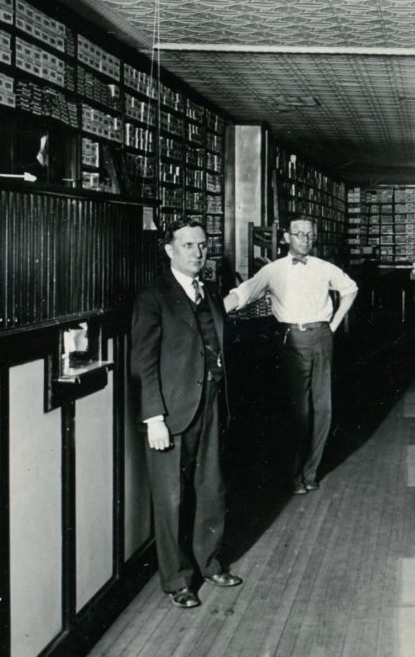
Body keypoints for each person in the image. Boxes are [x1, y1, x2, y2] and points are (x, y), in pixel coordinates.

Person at [130, 218, 242, 609]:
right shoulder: (153, 296)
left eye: (202, 245)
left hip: (211, 405)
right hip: (172, 413)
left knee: (212, 490)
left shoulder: (208, 292)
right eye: (188, 245)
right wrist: (153, 417)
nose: (197, 253)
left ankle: (210, 564)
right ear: (169, 250)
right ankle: (178, 580)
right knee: (171, 500)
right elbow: (142, 361)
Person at [224, 214, 358, 495]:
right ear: (286, 237)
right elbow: (244, 293)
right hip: (292, 339)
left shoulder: (324, 268)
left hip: (322, 336)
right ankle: (293, 474)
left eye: (310, 235)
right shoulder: (274, 270)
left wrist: (333, 325)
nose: (305, 239)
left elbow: (350, 288)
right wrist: (211, 311)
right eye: (299, 234)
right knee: (299, 410)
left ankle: (311, 472)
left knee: (324, 408)